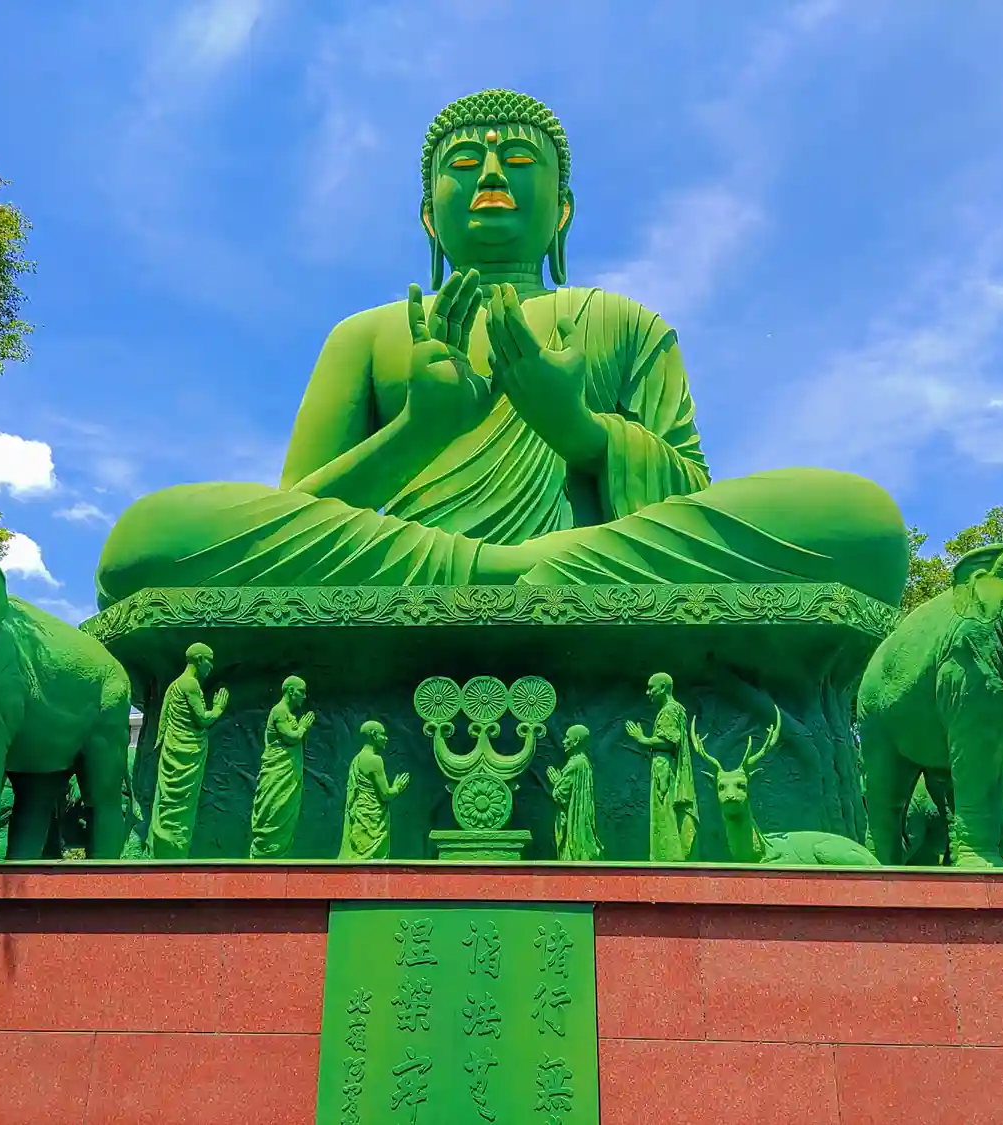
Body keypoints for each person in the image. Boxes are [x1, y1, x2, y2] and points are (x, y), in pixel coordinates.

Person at [95, 89, 908, 609]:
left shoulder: (624, 322)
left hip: (592, 556)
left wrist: (579, 431)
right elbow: (300, 518)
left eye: (519, 160)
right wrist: (417, 430)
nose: (491, 173)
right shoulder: (366, 335)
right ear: (429, 215)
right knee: (148, 540)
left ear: (562, 210)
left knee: (860, 523)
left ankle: (521, 569)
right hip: (422, 563)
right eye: (464, 162)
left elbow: (689, 494)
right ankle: (516, 574)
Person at [148, 643, 229, 858]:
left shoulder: (176, 685)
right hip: (185, 755)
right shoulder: (190, 684)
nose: (211, 666)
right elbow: (202, 719)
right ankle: (173, 851)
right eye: (209, 660)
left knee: (171, 803)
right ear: (199, 660)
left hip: (176, 751)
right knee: (180, 806)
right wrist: (218, 709)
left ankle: (168, 849)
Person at [625, 673, 698, 862]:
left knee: (665, 813)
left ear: (663, 687)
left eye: (651, 687)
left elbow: (668, 741)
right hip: (665, 768)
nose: (647, 692)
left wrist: (642, 739)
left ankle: (668, 856)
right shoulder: (676, 709)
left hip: (665, 772)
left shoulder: (670, 710)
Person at [249, 675, 315, 858]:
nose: (304, 696)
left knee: (286, 814)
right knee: (274, 809)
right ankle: (264, 857)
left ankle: (278, 857)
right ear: (291, 691)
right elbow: (291, 737)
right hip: (277, 774)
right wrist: (303, 727)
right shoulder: (279, 711)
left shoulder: (289, 714)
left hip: (289, 775)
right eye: (302, 692)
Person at [338, 720, 410, 860]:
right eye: (383, 734)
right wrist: (398, 787)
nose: (386, 738)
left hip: (360, 815)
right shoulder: (375, 760)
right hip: (372, 820)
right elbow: (385, 794)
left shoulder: (356, 759)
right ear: (373, 735)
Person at [549, 724, 602, 861]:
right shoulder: (584, 762)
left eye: (567, 738)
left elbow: (561, 795)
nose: (564, 741)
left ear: (577, 741)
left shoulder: (575, 764)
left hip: (574, 826)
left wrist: (556, 782)